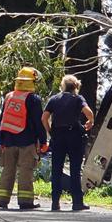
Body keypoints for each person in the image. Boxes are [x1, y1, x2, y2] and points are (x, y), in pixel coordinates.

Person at [41, 74, 94, 211]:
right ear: (76, 87)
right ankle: (77, 202)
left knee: (56, 169)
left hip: (58, 136)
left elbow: (44, 117)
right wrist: (90, 122)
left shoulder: (54, 99)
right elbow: (88, 112)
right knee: (75, 170)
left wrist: (50, 131)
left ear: (63, 86)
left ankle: (55, 203)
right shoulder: (78, 99)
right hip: (74, 136)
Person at [0, 67, 46, 210]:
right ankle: (25, 201)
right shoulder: (33, 99)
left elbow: (2, 119)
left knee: (8, 170)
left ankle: (2, 199)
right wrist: (43, 141)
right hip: (27, 142)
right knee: (25, 170)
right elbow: (39, 122)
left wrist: (1, 140)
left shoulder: (9, 96)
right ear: (32, 82)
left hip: (8, 141)